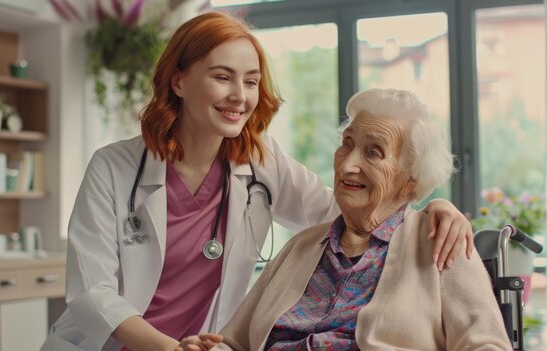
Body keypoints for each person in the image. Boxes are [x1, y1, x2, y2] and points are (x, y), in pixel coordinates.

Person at [42, 12, 475, 351]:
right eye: (222, 76)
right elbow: (90, 293)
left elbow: (351, 210)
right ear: (178, 80)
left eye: (250, 81)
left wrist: (428, 207)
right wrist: (169, 348)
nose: (240, 96)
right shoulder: (113, 168)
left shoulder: (260, 161)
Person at [177, 88, 510, 351]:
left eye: (373, 152)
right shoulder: (301, 247)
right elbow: (234, 342)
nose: (348, 164)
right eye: (346, 144)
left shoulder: (441, 243)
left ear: (411, 179)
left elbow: (487, 346)